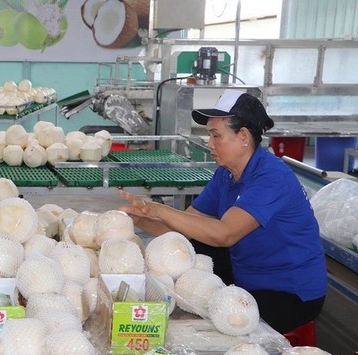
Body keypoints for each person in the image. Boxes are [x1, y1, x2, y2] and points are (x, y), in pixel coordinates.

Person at [119, 89, 326, 334]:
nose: (210, 144)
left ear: (244, 137)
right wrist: (136, 217)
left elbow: (225, 234)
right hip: (246, 275)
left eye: (216, 136)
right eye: (209, 135)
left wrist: (158, 209)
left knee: (217, 322)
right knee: (187, 247)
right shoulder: (226, 174)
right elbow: (185, 228)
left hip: (289, 292)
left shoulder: (271, 177)